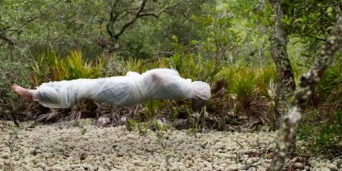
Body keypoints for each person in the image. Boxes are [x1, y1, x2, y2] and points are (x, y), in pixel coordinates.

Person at [12, 68, 211, 111]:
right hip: (129, 91)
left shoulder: (183, 87)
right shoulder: (185, 89)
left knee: (82, 87)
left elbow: (156, 77)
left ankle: (35, 94)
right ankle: (37, 94)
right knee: (82, 86)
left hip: (127, 88)